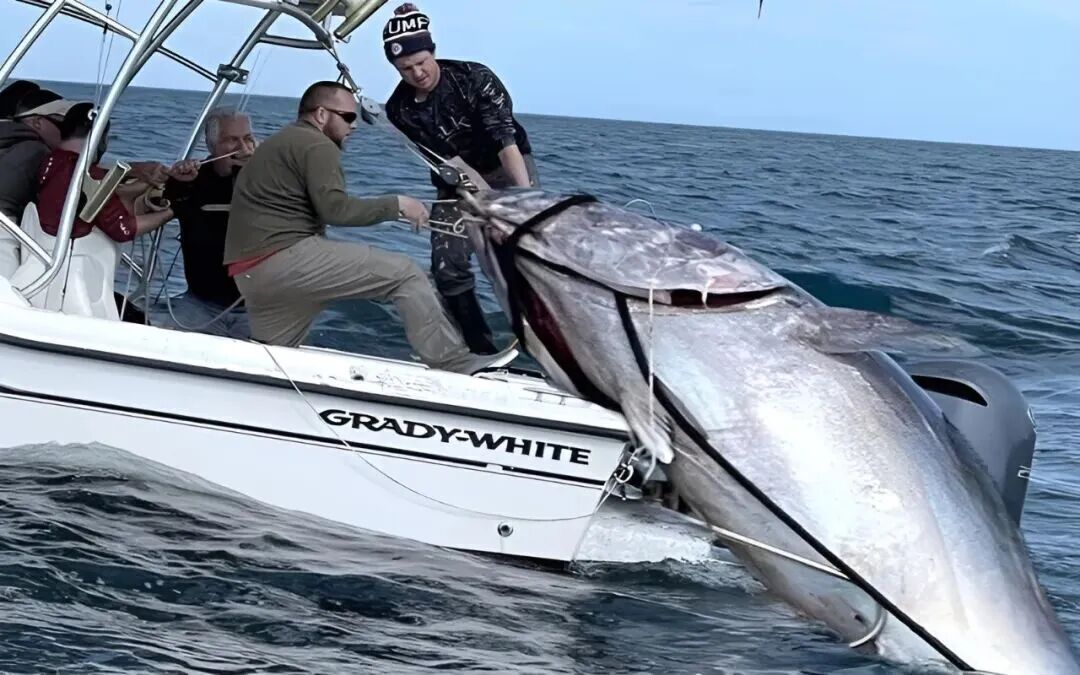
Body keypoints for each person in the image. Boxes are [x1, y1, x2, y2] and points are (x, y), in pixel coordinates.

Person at [222, 80, 517, 375]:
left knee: (270, 363)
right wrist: (398, 204)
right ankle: (454, 364)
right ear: (321, 115)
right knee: (405, 274)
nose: (354, 126)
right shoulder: (316, 144)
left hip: (252, 275)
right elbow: (336, 210)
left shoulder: (282, 141)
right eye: (348, 117)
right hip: (284, 261)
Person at [382, 3, 539, 355]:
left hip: (507, 166)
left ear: (434, 52)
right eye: (405, 68)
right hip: (454, 180)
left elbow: (506, 142)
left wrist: (520, 207)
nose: (417, 73)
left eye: (422, 62)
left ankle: (540, 337)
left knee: (521, 252)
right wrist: (477, 201)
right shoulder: (400, 110)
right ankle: (478, 347)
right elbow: (445, 162)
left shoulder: (475, 78)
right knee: (447, 265)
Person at [160, 106, 256, 339]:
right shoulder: (195, 180)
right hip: (201, 305)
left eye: (248, 139)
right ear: (211, 145)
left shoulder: (270, 179)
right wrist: (181, 180)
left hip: (259, 310)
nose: (243, 148)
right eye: (231, 140)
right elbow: (171, 199)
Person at [35, 102, 175, 244]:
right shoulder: (90, 176)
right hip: (72, 256)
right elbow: (122, 230)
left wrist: (136, 170)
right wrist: (173, 211)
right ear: (100, 136)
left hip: (41, 244)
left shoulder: (50, 160)